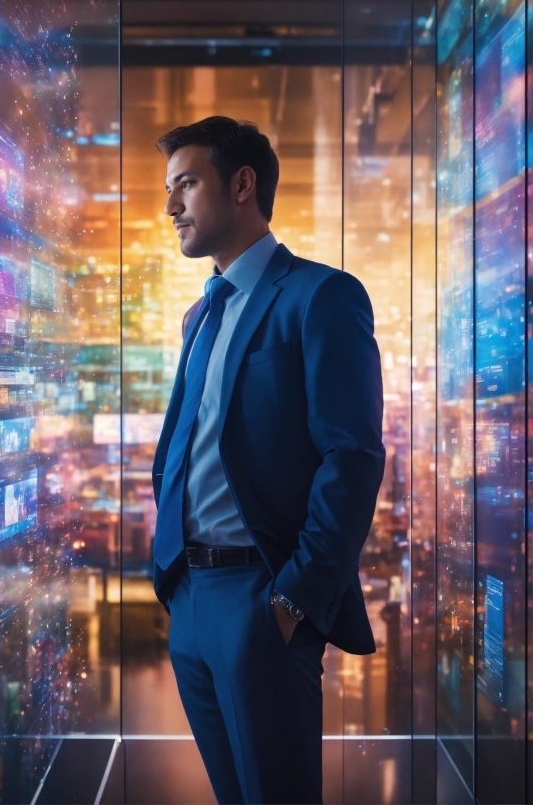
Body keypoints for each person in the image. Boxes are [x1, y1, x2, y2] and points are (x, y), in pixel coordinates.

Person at [151, 116, 385, 805]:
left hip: (262, 601)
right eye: (170, 189)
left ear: (243, 184)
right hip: (191, 597)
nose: (171, 208)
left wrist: (293, 600)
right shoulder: (202, 314)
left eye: (186, 185)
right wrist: (171, 582)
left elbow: (354, 457)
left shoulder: (321, 296)